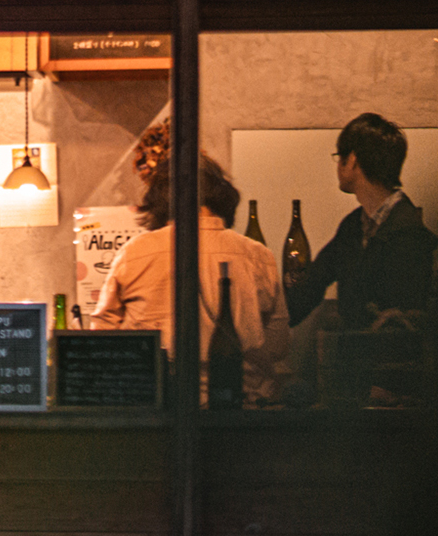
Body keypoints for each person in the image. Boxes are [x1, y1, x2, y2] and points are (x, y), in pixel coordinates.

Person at [91, 152, 289, 405]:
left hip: (159, 407)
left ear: (160, 199)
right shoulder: (258, 256)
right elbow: (278, 345)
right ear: (222, 196)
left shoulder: (135, 253)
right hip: (240, 408)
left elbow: (102, 340)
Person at [287, 112, 438, 330]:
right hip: (357, 357)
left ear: (353, 160)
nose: (338, 166)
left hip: (388, 360)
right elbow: (313, 283)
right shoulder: (353, 225)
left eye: (340, 157)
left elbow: (404, 319)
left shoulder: (409, 232)